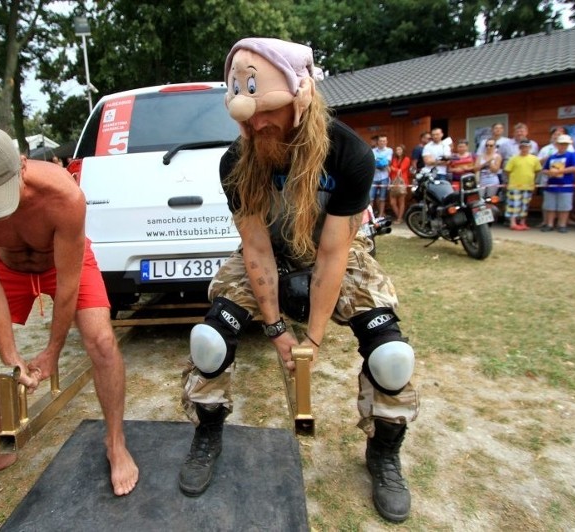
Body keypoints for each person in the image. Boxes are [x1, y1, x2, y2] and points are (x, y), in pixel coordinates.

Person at [179, 38, 419, 523]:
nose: (254, 125)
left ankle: (385, 451)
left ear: (301, 96)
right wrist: (275, 330)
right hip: (271, 255)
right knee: (208, 340)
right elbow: (257, 250)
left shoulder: (348, 153)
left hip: (337, 256)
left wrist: (312, 338)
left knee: (392, 357)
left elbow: (333, 256)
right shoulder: (235, 162)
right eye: (244, 117)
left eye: (267, 111)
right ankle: (207, 429)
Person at [0, 122, 138, 505]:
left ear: (22, 165)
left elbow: (68, 284)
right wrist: (11, 358)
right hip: (5, 268)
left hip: (63, 264)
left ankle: (115, 441)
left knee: (102, 341)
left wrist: (52, 350)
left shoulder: (63, 194)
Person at [541, 134, 575, 233]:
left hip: (565, 185)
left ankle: (562, 224)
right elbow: (544, 169)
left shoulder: (571, 155)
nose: (563, 146)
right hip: (551, 185)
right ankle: (549, 224)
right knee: (550, 206)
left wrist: (559, 171)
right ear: (557, 145)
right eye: (561, 144)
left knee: (564, 206)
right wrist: (550, 172)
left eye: (565, 144)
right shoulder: (551, 157)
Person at [503, 140, 541, 230]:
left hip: (528, 186)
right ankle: (513, 222)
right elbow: (507, 171)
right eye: (522, 147)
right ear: (520, 148)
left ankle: (522, 222)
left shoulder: (534, 159)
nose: (524, 149)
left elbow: (537, 170)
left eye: (526, 147)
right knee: (514, 205)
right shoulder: (513, 158)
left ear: (530, 148)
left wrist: (533, 182)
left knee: (525, 205)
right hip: (515, 186)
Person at [371, 135, 392, 218]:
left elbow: (387, 162)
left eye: (384, 141)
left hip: (384, 177)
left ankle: (380, 216)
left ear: (386, 142)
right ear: (378, 142)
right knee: (371, 198)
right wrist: (381, 161)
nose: (382, 142)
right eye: (381, 141)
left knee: (382, 198)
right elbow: (373, 163)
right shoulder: (372, 151)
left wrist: (378, 161)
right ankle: (370, 217)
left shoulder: (389, 150)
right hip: (374, 177)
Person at [388, 144, 410, 223]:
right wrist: (393, 169)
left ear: (403, 151)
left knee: (401, 201)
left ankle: (399, 218)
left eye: (400, 150)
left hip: (402, 182)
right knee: (392, 202)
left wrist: (393, 168)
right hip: (393, 181)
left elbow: (401, 170)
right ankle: (399, 217)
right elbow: (393, 170)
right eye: (397, 150)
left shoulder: (407, 159)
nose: (398, 151)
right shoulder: (394, 159)